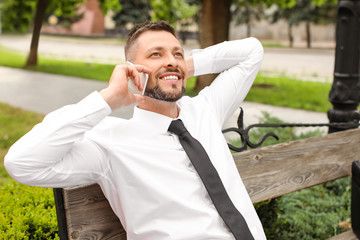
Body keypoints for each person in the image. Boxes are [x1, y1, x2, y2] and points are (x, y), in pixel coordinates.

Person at [5, 21, 266, 239]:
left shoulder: (205, 110)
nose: (171, 60)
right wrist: (106, 99)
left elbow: (251, 51)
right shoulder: (111, 143)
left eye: (177, 53)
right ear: (132, 71)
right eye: (155, 54)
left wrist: (177, 67)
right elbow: (22, 163)